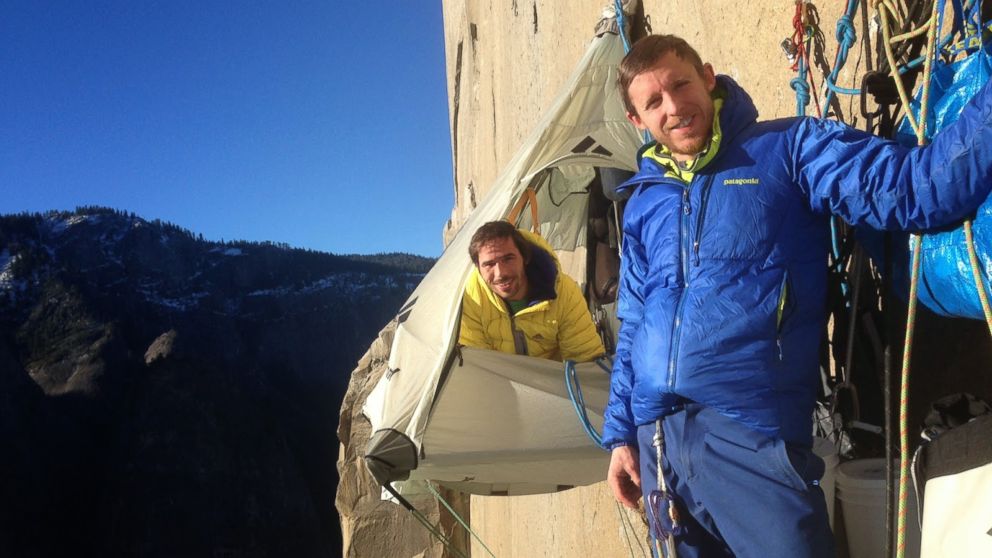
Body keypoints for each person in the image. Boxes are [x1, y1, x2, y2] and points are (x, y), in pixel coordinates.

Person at [601, 34, 992, 557]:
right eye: (654, 102)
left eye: (680, 84)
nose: (673, 107)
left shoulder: (789, 148)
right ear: (637, 121)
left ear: (708, 77)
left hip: (749, 435)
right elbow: (633, 326)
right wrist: (621, 436)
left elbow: (915, 190)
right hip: (659, 454)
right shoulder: (644, 202)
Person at [459, 220, 605, 362]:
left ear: (525, 257)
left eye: (508, 259)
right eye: (489, 264)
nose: (500, 273)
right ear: (478, 268)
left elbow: (584, 360)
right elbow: (478, 364)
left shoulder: (563, 292)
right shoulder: (473, 298)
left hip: (554, 382)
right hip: (501, 384)